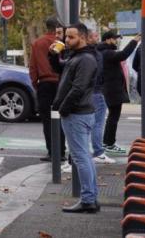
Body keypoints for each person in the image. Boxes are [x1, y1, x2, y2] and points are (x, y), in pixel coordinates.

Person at [50, 22, 99, 213]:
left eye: (71, 37)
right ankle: (91, 198)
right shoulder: (77, 56)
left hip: (77, 113)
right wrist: (54, 56)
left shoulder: (85, 59)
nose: (67, 40)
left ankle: (88, 200)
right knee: (84, 157)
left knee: (80, 158)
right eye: (66, 37)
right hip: (78, 112)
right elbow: (62, 70)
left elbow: (78, 88)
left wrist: (63, 109)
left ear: (83, 38)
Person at [29, 16, 66, 162]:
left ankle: (52, 152)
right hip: (61, 84)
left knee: (47, 120)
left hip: (44, 84)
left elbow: (33, 67)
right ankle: (62, 152)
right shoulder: (62, 43)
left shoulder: (38, 43)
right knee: (61, 119)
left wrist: (36, 84)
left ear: (46, 27)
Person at [99, 31, 140, 155]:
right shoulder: (106, 53)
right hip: (112, 90)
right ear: (108, 40)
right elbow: (123, 55)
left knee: (112, 117)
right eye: (115, 39)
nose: (117, 41)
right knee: (113, 118)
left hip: (113, 89)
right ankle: (109, 143)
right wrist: (134, 41)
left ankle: (108, 142)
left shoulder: (104, 51)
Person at [88, 31, 115, 165]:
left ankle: (95, 151)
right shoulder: (96, 53)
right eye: (94, 37)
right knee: (98, 124)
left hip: (90, 91)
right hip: (96, 91)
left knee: (90, 124)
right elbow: (98, 73)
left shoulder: (84, 53)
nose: (97, 39)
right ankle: (98, 152)